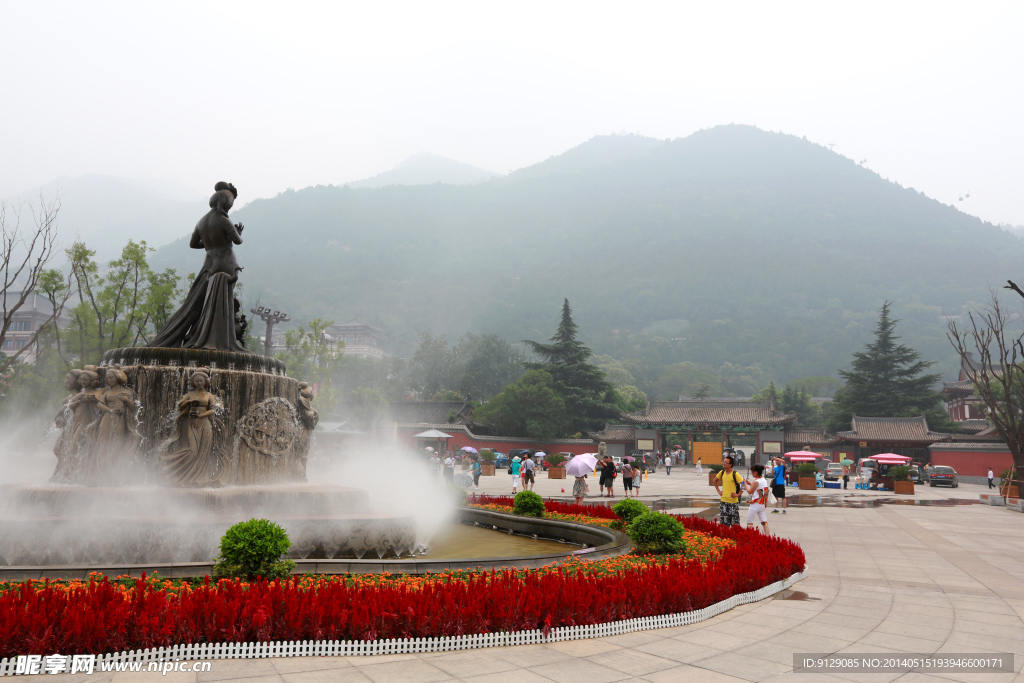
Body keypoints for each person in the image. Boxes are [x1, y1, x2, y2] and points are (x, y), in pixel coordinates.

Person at [714, 455, 742, 526]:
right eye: (723, 462)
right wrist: (719, 491)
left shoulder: (735, 474)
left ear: (730, 465)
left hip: (733, 503)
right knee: (724, 524)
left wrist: (738, 494)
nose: (724, 463)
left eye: (726, 462)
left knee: (734, 524)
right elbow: (715, 481)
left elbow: (744, 484)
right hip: (723, 501)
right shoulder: (722, 472)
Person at [745, 464, 771, 535]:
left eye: (752, 472)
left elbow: (750, 491)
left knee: (750, 522)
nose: (752, 473)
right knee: (764, 522)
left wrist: (746, 485)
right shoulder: (764, 480)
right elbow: (761, 490)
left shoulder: (755, 482)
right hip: (762, 504)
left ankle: (748, 538)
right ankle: (767, 537)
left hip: (755, 504)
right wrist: (751, 484)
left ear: (755, 472)